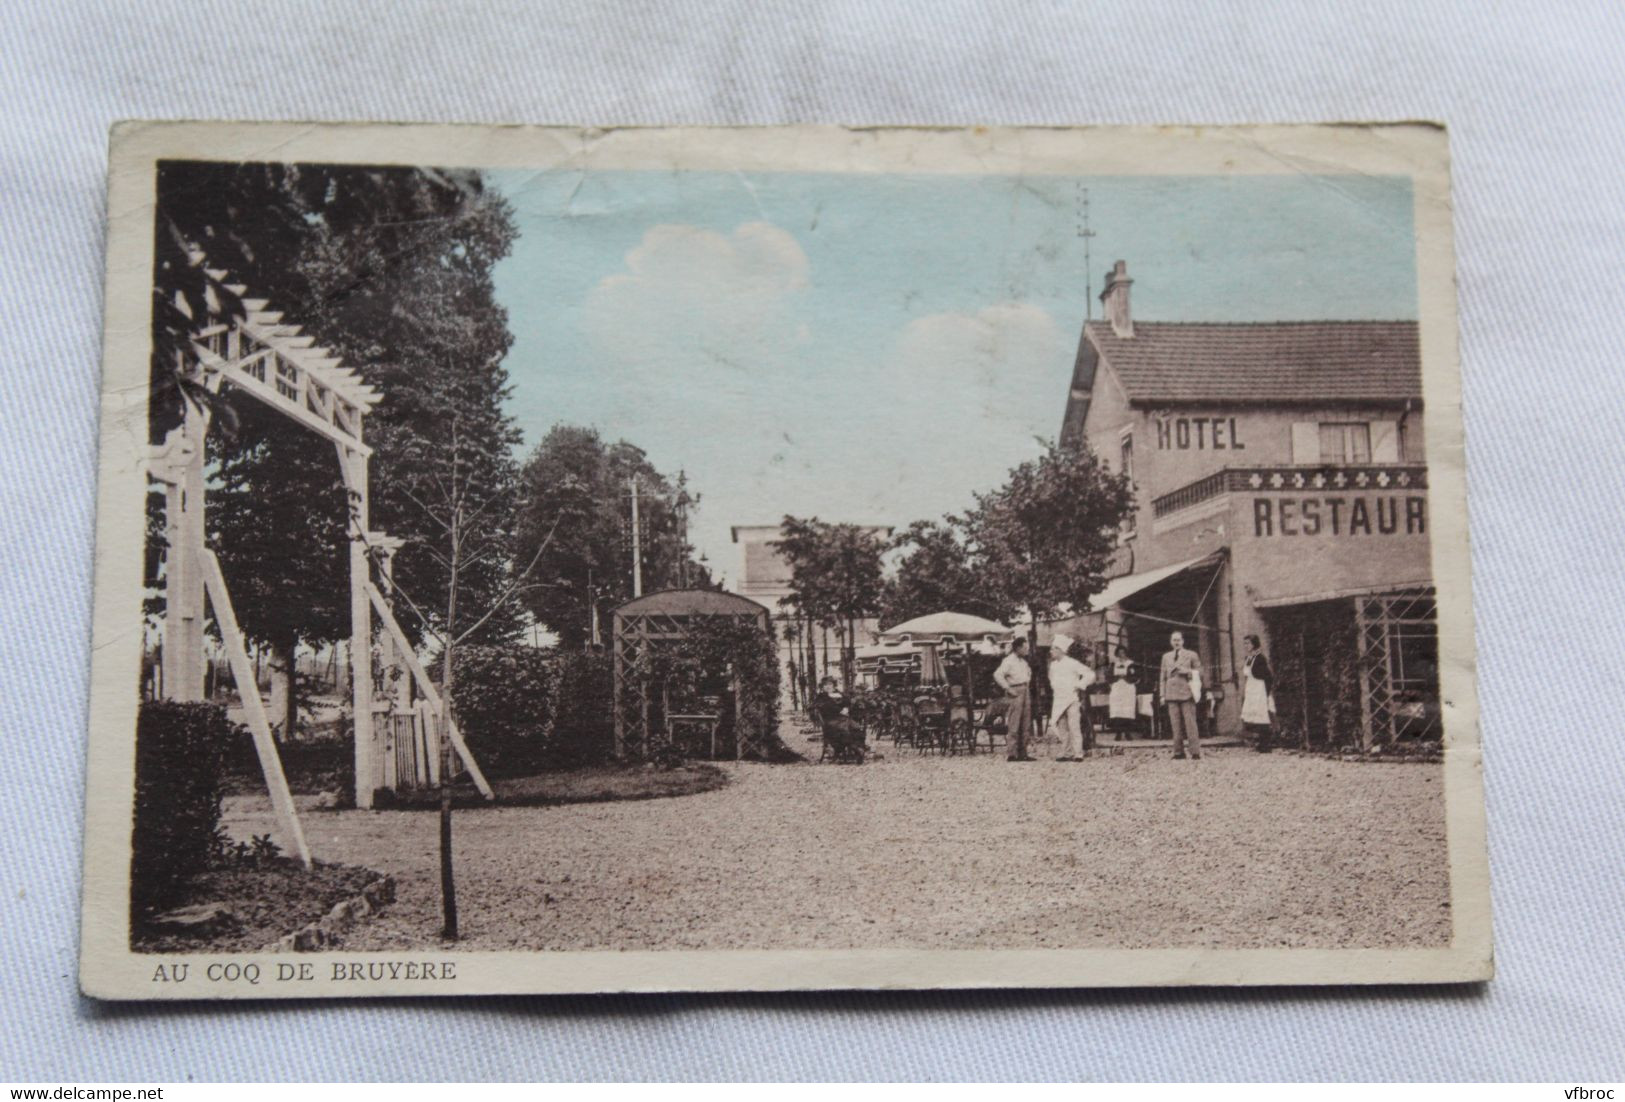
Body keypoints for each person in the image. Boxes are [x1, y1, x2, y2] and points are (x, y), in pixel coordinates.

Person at [1048, 634, 1095, 761]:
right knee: (1062, 727)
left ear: (1060, 650)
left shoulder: (1072, 663)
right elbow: (1052, 680)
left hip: (1071, 699)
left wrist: (1079, 685)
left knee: (1074, 726)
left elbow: (1090, 675)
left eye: (1053, 649)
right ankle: (1066, 752)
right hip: (1059, 699)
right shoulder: (1053, 665)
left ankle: (1078, 753)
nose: (1051, 651)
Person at [1160, 631, 1202, 760]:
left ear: (1183, 641)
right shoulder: (1166, 657)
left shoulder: (1191, 655)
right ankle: (1178, 752)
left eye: (1178, 640)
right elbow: (1162, 677)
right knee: (1175, 724)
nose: (1176, 643)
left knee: (1190, 723)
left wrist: (1187, 671)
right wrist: (1162, 695)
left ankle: (1195, 752)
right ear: (1170, 642)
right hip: (1171, 694)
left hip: (1186, 693)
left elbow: (1200, 672)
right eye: (1174, 640)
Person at [992, 637, 1035, 761]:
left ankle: (1023, 752)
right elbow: (998, 675)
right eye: (1025, 648)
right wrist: (1008, 688)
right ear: (1018, 648)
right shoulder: (1008, 661)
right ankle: (1012, 753)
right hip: (1015, 690)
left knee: (1026, 722)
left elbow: (1028, 674)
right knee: (1014, 722)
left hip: (1025, 689)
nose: (1027, 650)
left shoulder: (1023, 662)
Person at [814, 675, 870, 762]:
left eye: (830, 684)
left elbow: (847, 702)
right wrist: (839, 710)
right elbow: (825, 707)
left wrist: (846, 708)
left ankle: (858, 748)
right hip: (830, 721)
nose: (828, 686)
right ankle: (855, 749)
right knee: (843, 729)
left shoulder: (839, 694)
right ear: (822, 687)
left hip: (843, 718)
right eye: (825, 685)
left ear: (833, 685)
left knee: (856, 726)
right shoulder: (821, 697)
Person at [1240, 633, 1277, 752]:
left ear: (1254, 644)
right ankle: (1260, 742)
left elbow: (1268, 676)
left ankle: (1266, 745)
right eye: (1244, 643)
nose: (1246, 646)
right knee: (1255, 717)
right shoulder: (1248, 658)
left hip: (1259, 689)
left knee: (1262, 716)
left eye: (1248, 643)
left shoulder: (1260, 658)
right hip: (1251, 688)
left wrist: (1266, 692)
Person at [1107, 645, 1138, 741]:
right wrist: (1114, 681)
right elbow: (1108, 676)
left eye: (1123, 653)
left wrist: (1126, 677)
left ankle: (1128, 732)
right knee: (1117, 710)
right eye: (1119, 653)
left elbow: (1136, 676)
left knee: (1127, 710)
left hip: (1128, 688)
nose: (1121, 655)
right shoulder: (1113, 664)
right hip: (1117, 688)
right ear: (1117, 654)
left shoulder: (1131, 664)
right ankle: (1118, 733)